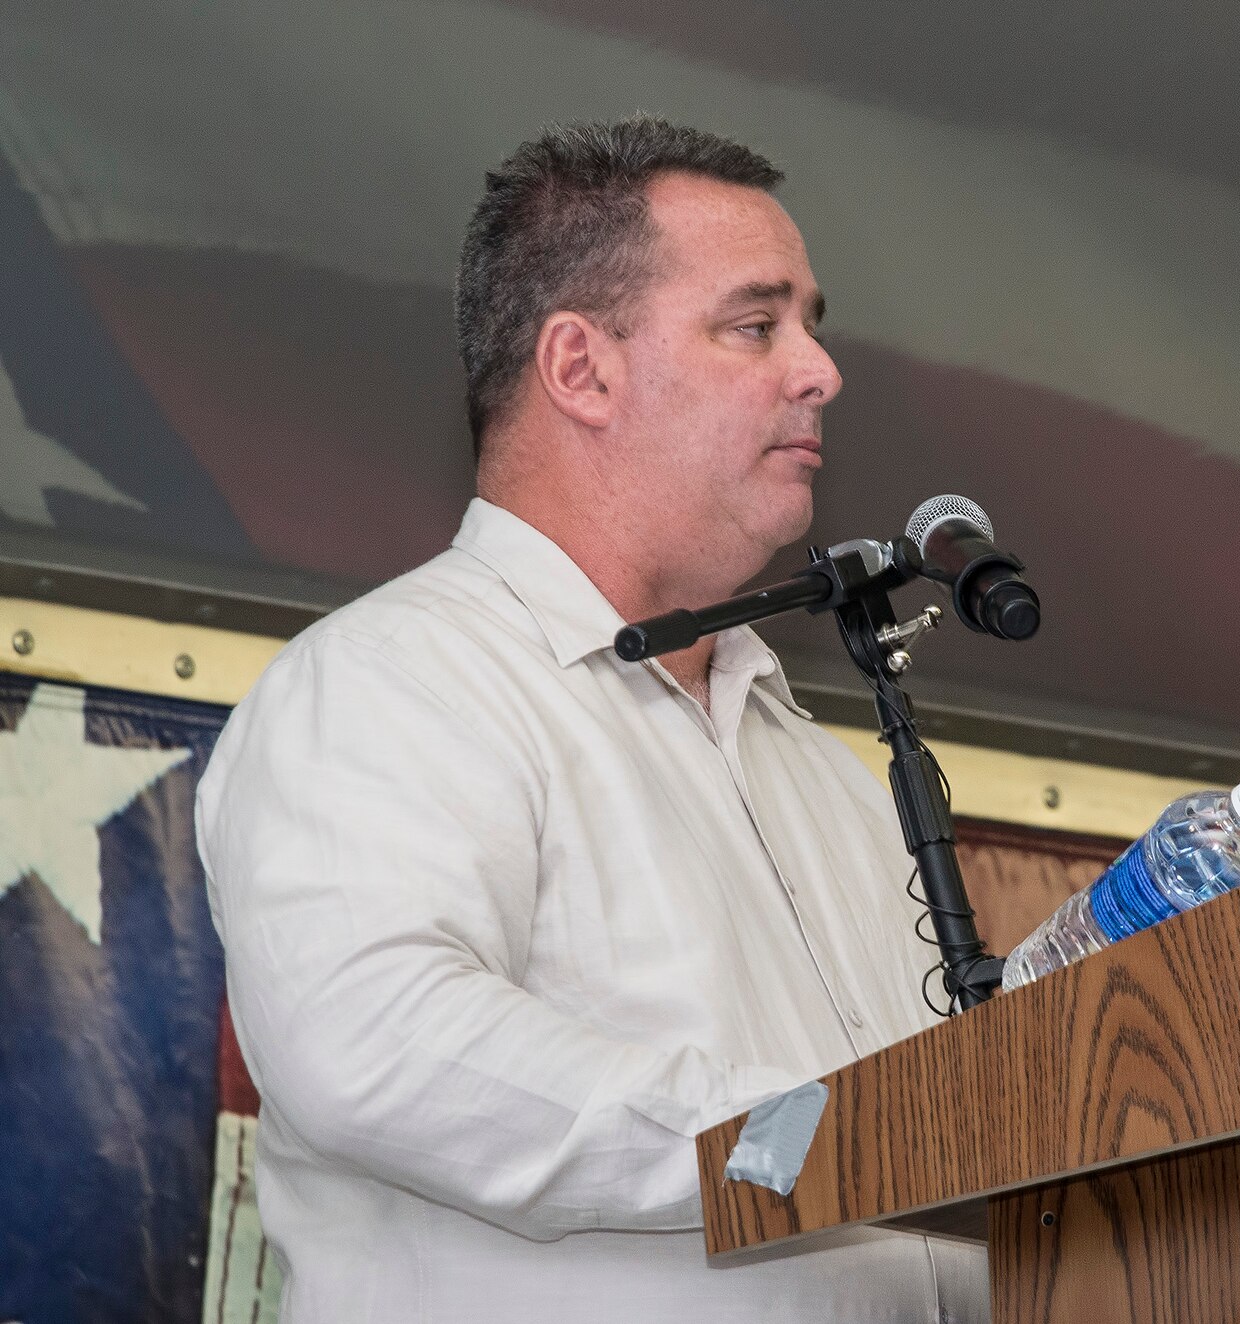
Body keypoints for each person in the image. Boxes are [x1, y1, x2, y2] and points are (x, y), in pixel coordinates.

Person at [196, 116, 988, 1324]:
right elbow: (380, 1052)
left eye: (811, 325)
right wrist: (843, 1137)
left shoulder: (825, 774)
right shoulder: (382, 683)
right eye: (754, 323)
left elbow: (955, 1149)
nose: (820, 370)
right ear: (581, 369)